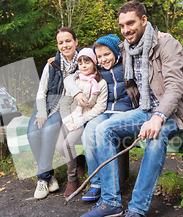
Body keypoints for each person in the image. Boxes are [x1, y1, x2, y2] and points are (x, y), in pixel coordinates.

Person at [78, 0, 183, 217]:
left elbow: (175, 86)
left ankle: (137, 210)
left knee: (156, 134)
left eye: (130, 23)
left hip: (169, 113)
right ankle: (110, 202)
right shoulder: (126, 48)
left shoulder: (167, 44)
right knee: (103, 129)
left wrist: (159, 116)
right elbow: (101, 54)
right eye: (122, 25)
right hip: (142, 110)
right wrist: (63, 60)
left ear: (144, 21)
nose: (126, 29)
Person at [70, 35, 134, 202]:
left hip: (124, 112)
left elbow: (141, 45)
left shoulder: (127, 63)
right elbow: (72, 75)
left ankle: (109, 184)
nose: (103, 59)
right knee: (88, 133)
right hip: (104, 112)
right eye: (99, 56)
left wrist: (161, 35)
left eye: (107, 54)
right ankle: (96, 183)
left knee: (102, 132)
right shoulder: (97, 72)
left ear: (115, 52)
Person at [27, 26, 79, 200]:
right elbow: (41, 92)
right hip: (47, 105)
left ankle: (42, 179)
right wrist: (41, 112)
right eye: (61, 42)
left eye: (68, 41)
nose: (65, 45)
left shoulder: (84, 62)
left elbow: (103, 50)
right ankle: (49, 176)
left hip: (66, 108)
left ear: (76, 42)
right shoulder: (51, 65)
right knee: (33, 132)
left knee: (48, 130)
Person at [56, 48, 108, 198]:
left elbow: (100, 106)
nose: (83, 66)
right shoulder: (75, 81)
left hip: (85, 119)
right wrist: (67, 121)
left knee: (68, 144)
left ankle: (72, 179)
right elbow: (65, 102)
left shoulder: (100, 83)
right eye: (80, 63)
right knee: (60, 146)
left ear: (94, 63)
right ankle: (79, 160)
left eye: (87, 62)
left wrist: (80, 121)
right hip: (70, 118)